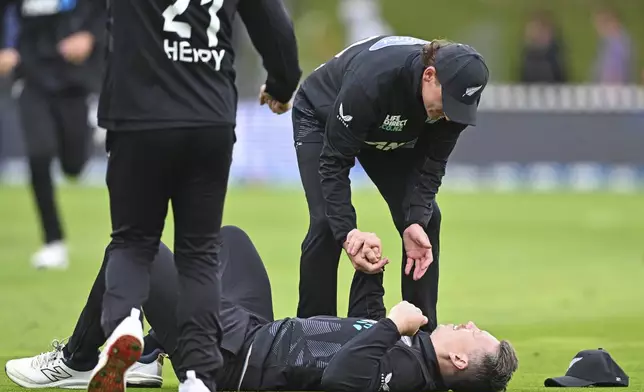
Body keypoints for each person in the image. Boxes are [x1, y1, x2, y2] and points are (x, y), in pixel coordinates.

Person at [5, 225, 519, 392]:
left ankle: (73, 361)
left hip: (233, 362)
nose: (469, 324)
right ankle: (149, 352)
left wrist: (390, 323)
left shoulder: (408, 375)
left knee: (133, 247)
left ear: (457, 363)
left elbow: (344, 374)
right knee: (232, 239)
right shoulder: (413, 349)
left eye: (475, 334)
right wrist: (371, 275)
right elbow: (356, 328)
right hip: (258, 331)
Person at [93, 0, 301, 390]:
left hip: (140, 116)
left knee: (133, 243)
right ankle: (198, 376)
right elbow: (275, 27)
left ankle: (123, 326)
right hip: (210, 121)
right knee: (198, 256)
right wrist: (282, 85)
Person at [290, 35, 489, 330]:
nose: (449, 114)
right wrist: (347, 232)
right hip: (323, 114)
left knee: (425, 220)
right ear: (429, 76)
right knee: (326, 223)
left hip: (384, 130)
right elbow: (334, 162)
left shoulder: (455, 102)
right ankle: (310, 336)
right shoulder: (372, 81)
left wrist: (414, 220)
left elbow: (431, 165)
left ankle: (420, 336)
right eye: (446, 103)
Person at [0, 0, 106, 269]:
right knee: (39, 153)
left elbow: (110, 10)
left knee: (74, 166)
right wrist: (5, 48)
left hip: (74, 80)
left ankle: (91, 127)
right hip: (31, 75)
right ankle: (53, 241)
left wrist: (90, 36)